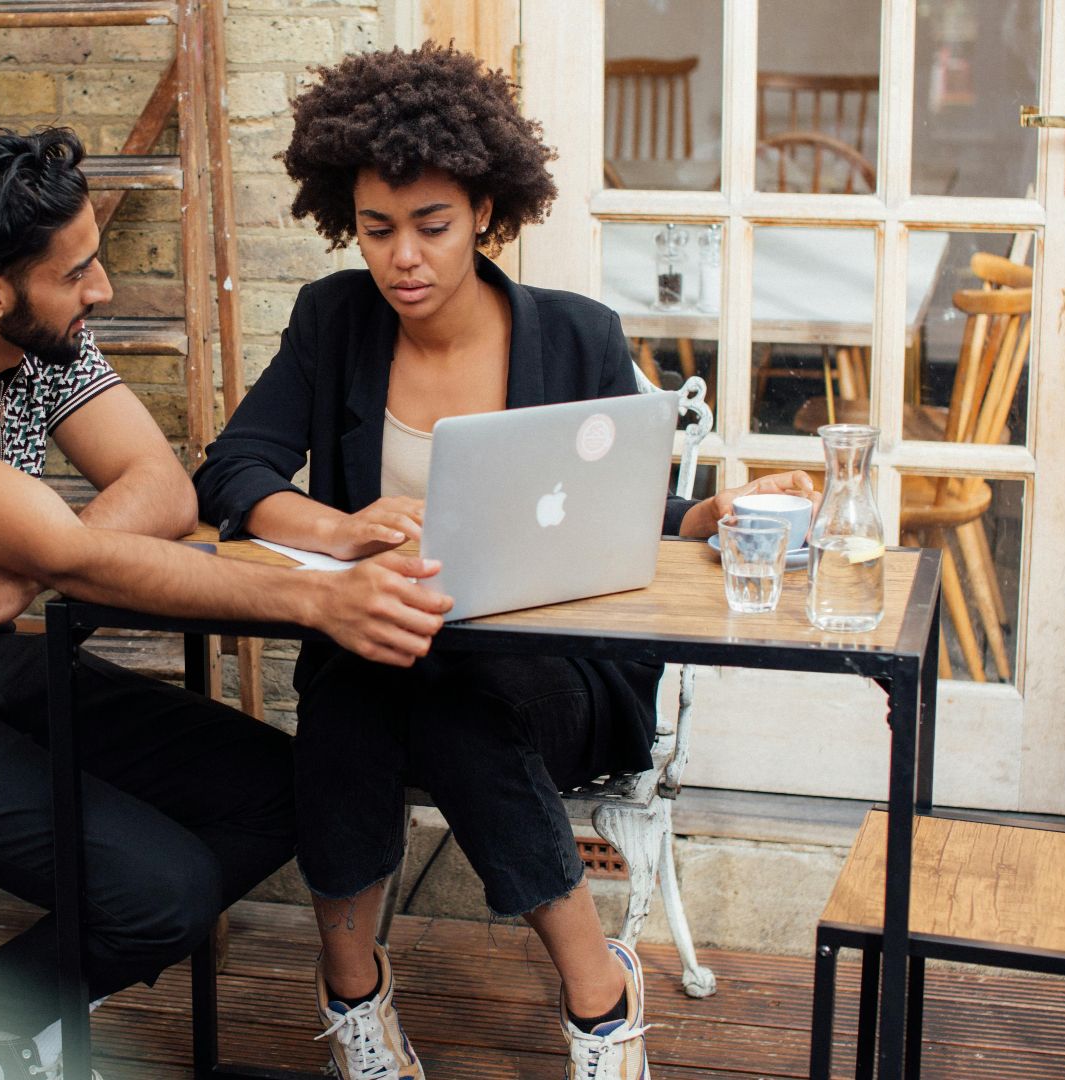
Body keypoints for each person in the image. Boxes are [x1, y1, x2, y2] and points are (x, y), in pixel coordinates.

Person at [0, 120, 455, 1080]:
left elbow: (163, 485)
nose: (102, 289)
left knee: (288, 792)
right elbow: (85, 552)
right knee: (162, 894)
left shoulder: (36, 334)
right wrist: (318, 604)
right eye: (77, 272)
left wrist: (22, 575)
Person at [193, 45, 817, 1080]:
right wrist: (341, 530)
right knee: (362, 687)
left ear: (485, 208)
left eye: (431, 227)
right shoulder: (335, 323)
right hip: (388, 656)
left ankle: (592, 996)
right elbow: (235, 471)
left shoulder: (576, 336)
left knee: (443, 692)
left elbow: (619, 515)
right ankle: (385, 999)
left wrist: (705, 512)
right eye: (378, 230)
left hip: (553, 681)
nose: (403, 259)